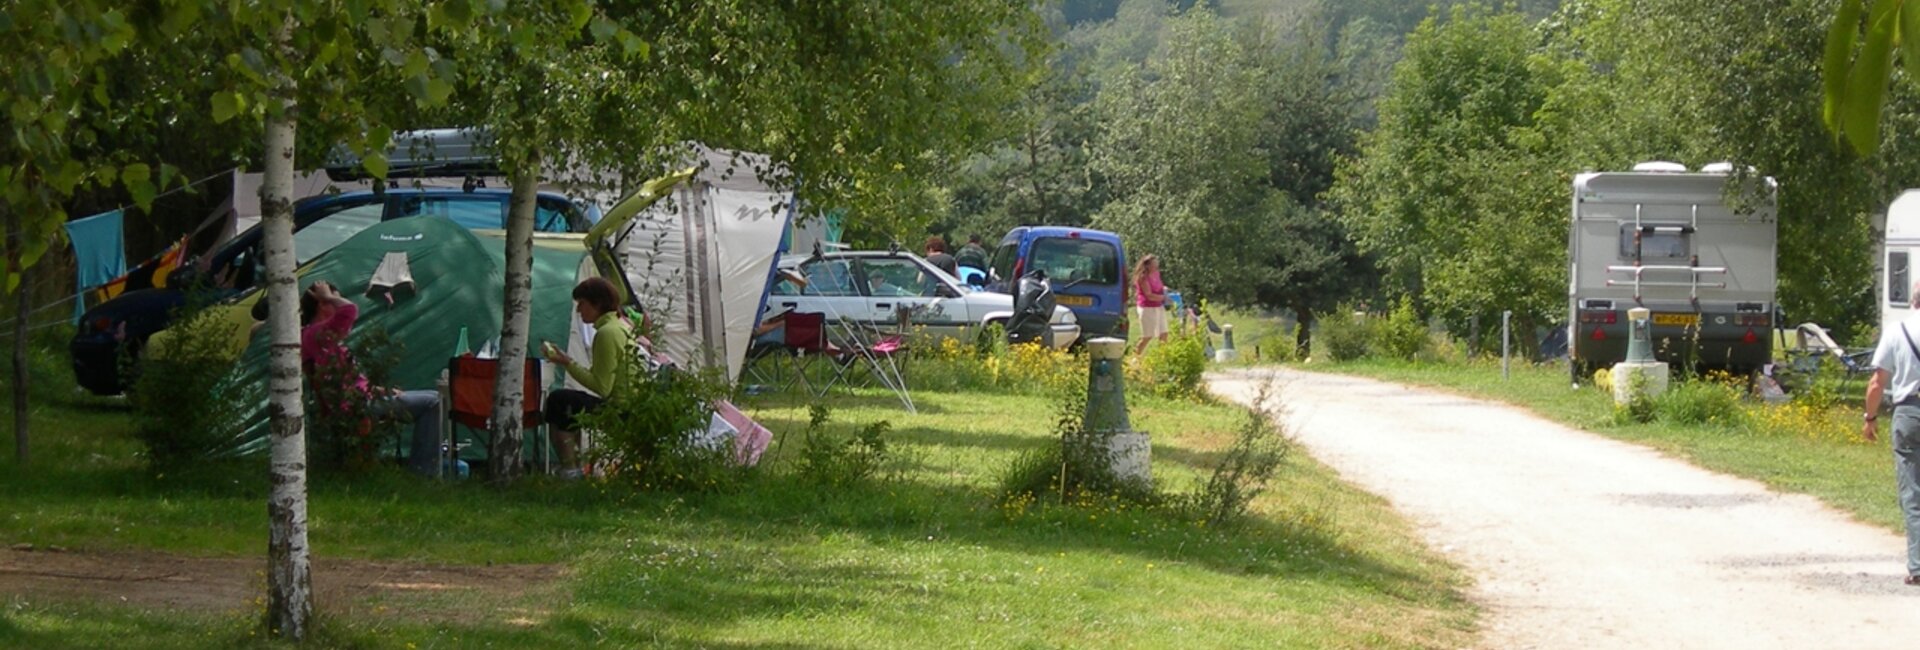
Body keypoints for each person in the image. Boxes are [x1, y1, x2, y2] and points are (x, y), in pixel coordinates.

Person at [285, 282, 444, 476]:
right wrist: (328, 297)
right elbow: (350, 310)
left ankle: (425, 468)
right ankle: (424, 472)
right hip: (355, 405)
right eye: (333, 300)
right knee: (433, 402)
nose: (337, 304)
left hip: (360, 398)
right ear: (322, 305)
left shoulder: (322, 337)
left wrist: (379, 390)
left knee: (433, 396)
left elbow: (349, 380)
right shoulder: (316, 334)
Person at [541, 277, 634, 479]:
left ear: (597, 303)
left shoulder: (607, 334)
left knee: (558, 401)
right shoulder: (621, 327)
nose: (579, 310)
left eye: (582, 304)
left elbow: (602, 387)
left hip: (621, 410)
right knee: (568, 402)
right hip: (633, 405)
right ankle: (575, 467)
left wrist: (567, 363)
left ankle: (570, 469)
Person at [1862, 280, 1920, 587]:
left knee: (1913, 491)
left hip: (1910, 412)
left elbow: (1877, 382)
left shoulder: (1898, 331)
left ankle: (1918, 565)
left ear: (1913, 302)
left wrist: (1870, 417)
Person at [1131, 254, 1168, 355]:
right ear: (1148, 265)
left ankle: (1162, 358)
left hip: (1158, 306)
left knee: (1164, 333)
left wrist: (1164, 290)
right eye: (1154, 263)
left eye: (1157, 263)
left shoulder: (1156, 273)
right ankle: (1135, 358)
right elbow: (1149, 295)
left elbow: (1159, 286)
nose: (1157, 265)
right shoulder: (1143, 278)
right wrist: (1164, 298)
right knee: (1147, 336)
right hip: (1147, 308)